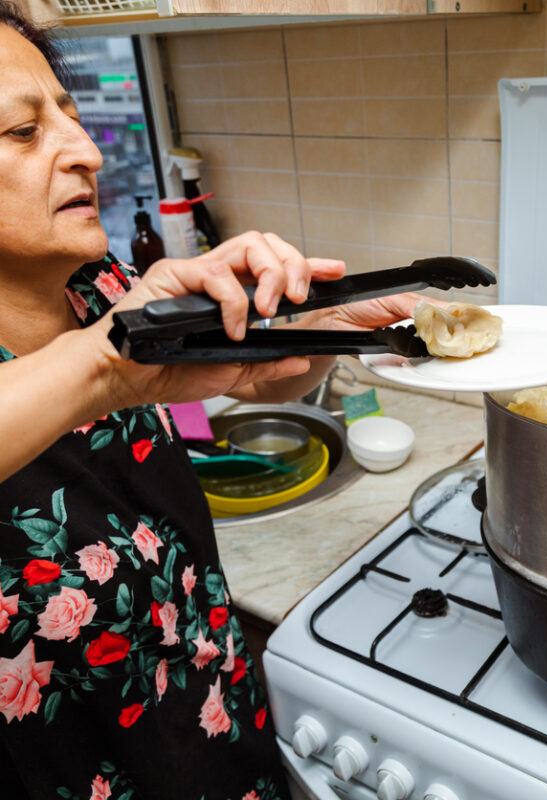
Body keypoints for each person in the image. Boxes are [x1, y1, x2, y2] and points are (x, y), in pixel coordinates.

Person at [0, 3, 420, 797]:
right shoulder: (111, 334)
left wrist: (320, 335)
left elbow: (247, 378)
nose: (87, 152)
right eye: (23, 133)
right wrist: (109, 362)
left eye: (72, 117)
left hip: (220, 727)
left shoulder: (103, 292)